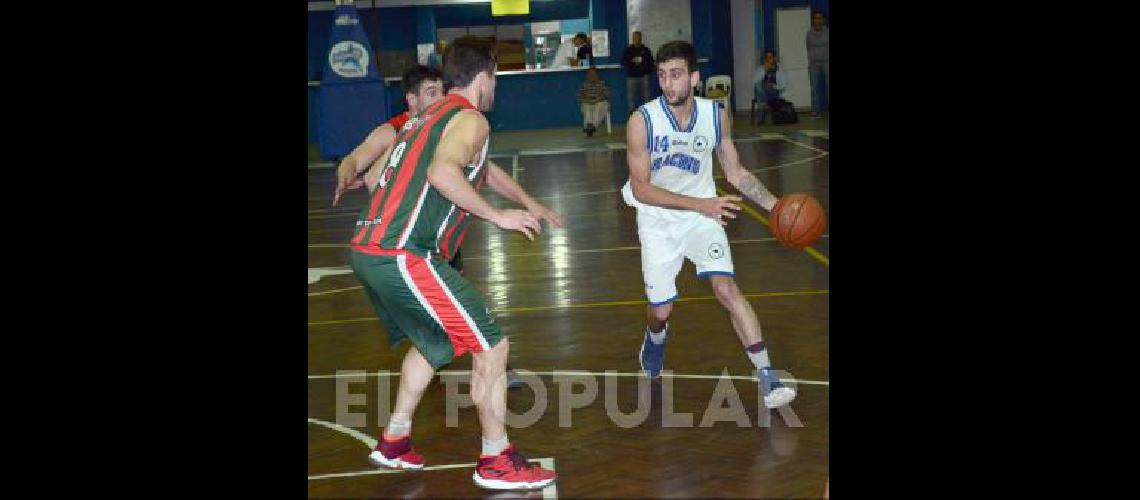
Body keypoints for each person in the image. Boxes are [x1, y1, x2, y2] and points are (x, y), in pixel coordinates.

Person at [350, 36, 562, 490]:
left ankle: (395, 440)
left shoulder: (430, 116)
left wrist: (528, 200)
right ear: (484, 75)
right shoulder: (471, 119)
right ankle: (495, 458)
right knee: (492, 346)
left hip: (370, 250)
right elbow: (444, 172)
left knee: (431, 342)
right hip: (405, 253)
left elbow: (479, 167)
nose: (496, 88)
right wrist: (499, 216)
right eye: (496, 78)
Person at [620, 40, 796, 409]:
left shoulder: (716, 115)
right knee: (660, 311)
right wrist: (699, 203)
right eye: (663, 76)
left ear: (694, 78)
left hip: (703, 216)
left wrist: (774, 206)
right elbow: (641, 188)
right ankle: (655, 339)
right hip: (657, 219)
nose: (668, 84)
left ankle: (767, 375)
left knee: (727, 289)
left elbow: (735, 172)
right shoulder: (642, 121)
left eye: (677, 75)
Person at [333, 65, 528, 389]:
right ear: (411, 99)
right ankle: (482, 359)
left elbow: (485, 170)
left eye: (442, 90)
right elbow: (358, 162)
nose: (442, 97)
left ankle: (477, 360)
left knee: (456, 308)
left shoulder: (451, 124)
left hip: (437, 231)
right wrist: (347, 173)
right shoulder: (398, 129)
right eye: (431, 92)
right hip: (403, 237)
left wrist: (525, 199)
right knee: (452, 313)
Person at [621, 31, 654, 113]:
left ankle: (648, 114)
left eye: (638, 38)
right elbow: (623, 62)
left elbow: (651, 63)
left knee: (647, 98)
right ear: (632, 39)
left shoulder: (645, 50)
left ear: (640, 38)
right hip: (631, 77)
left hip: (644, 77)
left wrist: (644, 68)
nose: (636, 39)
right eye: (634, 38)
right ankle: (632, 115)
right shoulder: (628, 50)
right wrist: (632, 62)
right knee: (631, 99)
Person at [751, 50, 788, 124]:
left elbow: (783, 86)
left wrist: (773, 86)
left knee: (760, 94)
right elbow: (755, 81)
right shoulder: (761, 68)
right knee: (758, 86)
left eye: (770, 57)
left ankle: (761, 117)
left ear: (774, 58)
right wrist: (765, 70)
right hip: (763, 91)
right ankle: (764, 105)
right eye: (766, 58)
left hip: (774, 92)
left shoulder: (780, 70)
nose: (768, 60)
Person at [806, 10, 829, 118]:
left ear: (823, 20)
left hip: (827, 62)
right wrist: (813, 57)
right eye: (815, 18)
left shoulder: (828, 32)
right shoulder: (809, 34)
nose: (818, 20)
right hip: (814, 64)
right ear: (813, 20)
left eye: (820, 18)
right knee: (814, 88)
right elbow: (808, 47)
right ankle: (815, 111)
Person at [578, 67, 610, 137]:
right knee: (587, 107)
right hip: (588, 101)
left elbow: (606, 94)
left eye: (593, 74)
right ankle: (589, 126)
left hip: (600, 101)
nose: (591, 76)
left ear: (597, 75)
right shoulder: (585, 84)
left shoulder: (602, 83)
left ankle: (593, 126)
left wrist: (597, 100)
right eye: (590, 74)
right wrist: (587, 100)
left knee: (598, 107)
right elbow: (580, 96)